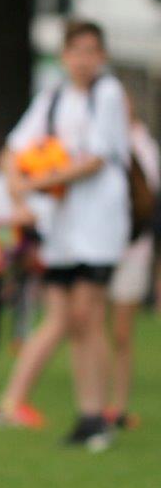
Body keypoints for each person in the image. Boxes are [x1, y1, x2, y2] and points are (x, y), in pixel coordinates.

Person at [0, 20, 131, 451]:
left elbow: (96, 159)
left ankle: (95, 415)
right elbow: (15, 147)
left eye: (91, 51)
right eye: (76, 51)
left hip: (100, 224)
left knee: (88, 315)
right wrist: (16, 186)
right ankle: (88, 415)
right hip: (63, 227)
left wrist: (35, 183)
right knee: (69, 317)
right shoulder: (53, 96)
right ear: (65, 56)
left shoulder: (108, 95)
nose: (83, 60)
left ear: (101, 56)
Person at [104, 106, 159, 430]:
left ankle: (118, 405)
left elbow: (148, 202)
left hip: (132, 248)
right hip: (96, 246)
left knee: (122, 332)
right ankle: (95, 405)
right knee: (90, 324)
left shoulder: (144, 148)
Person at [0, 149, 48, 361]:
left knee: (24, 288)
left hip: (23, 236)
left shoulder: (31, 179)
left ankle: (20, 337)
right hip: (0, 234)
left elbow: (37, 215)